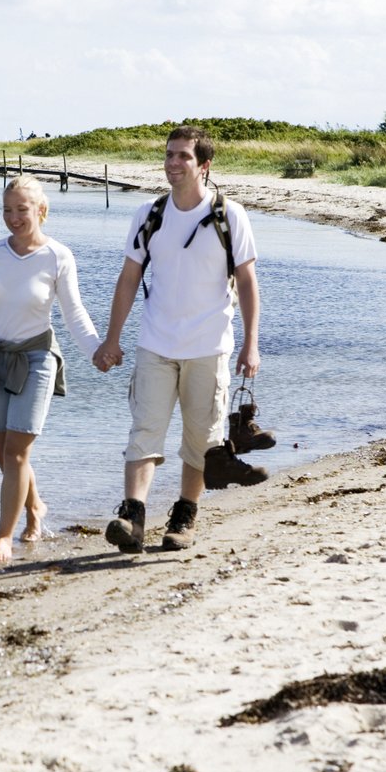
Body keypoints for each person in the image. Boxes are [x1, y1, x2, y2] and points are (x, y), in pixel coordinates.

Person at [92, 125, 263, 553]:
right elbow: (129, 278)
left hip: (210, 346)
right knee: (144, 431)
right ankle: (132, 517)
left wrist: (251, 343)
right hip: (156, 344)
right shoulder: (149, 215)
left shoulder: (230, 216)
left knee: (201, 441)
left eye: (183, 156)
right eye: (169, 155)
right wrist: (112, 338)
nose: (173, 163)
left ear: (204, 165)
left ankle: (184, 518)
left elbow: (247, 282)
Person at [0, 174, 101, 564]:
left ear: (41, 211)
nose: (13, 218)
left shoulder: (58, 256)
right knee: (2, 453)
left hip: (37, 358)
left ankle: (3, 537)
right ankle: (35, 508)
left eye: (21, 210)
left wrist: (96, 350)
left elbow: (73, 313)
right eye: (7, 210)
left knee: (16, 451)